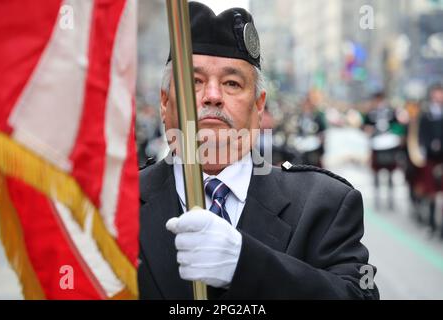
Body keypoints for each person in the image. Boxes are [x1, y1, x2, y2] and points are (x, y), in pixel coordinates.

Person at [138, 2, 379, 299]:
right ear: (164, 102)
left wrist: (247, 265)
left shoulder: (323, 204)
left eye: (232, 83)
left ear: (259, 105)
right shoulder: (117, 203)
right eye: (194, 81)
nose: (212, 96)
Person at [417, 83, 443, 238]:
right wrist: (429, 147)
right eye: (437, 93)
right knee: (432, 193)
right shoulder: (426, 114)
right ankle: (432, 224)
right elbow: (421, 135)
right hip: (431, 158)